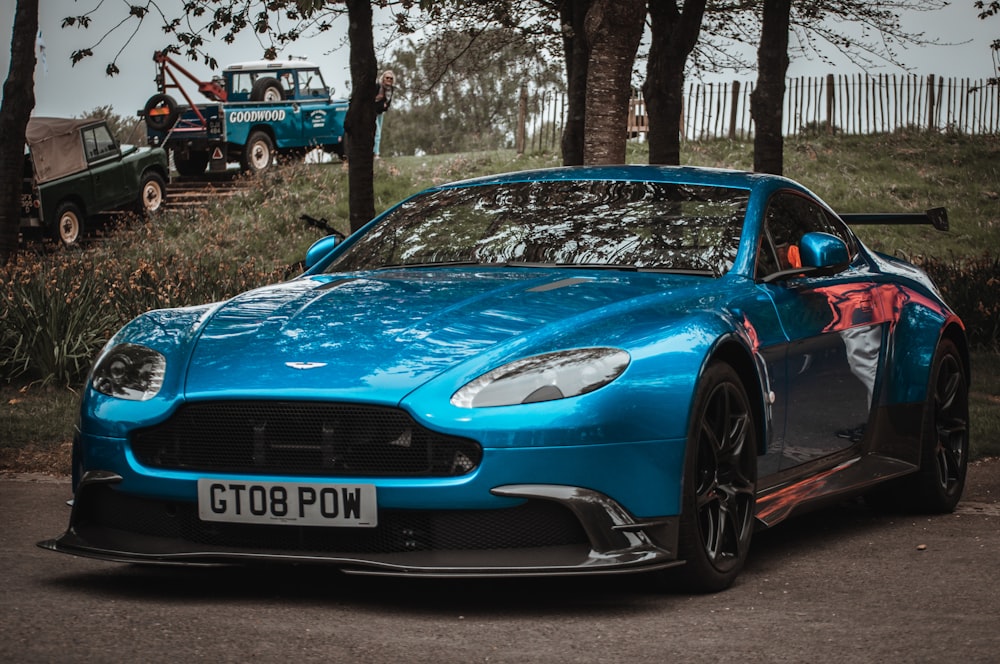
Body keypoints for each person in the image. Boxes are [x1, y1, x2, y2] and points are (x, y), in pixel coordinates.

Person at [374, 70, 395, 158]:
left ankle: (374, 153)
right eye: (387, 77)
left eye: (391, 78)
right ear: (383, 78)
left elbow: (388, 104)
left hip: (380, 113)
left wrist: (384, 105)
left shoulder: (391, 90)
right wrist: (382, 103)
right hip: (373, 112)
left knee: (379, 133)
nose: (389, 79)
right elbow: (372, 100)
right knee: (377, 133)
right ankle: (376, 154)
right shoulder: (377, 87)